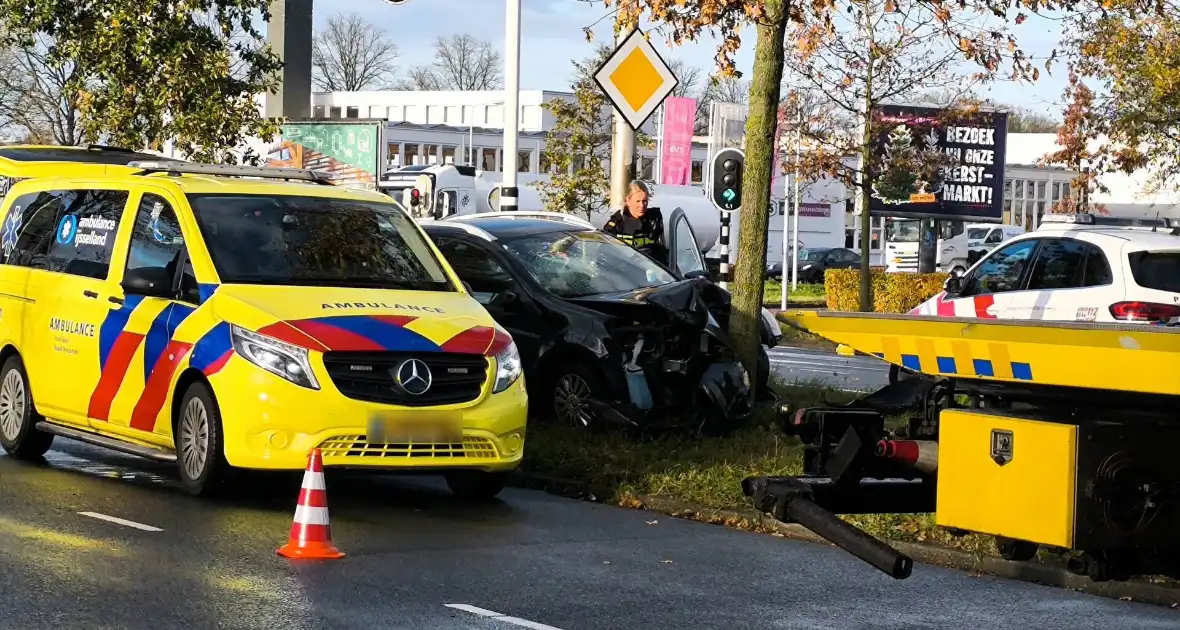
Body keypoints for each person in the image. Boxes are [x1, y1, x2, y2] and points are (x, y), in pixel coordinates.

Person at [602, 180, 667, 264]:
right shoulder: (617, 223)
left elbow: (661, 249)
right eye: (638, 201)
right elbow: (605, 254)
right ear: (628, 201)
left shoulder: (654, 219)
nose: (642, 205)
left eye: (644, 201)